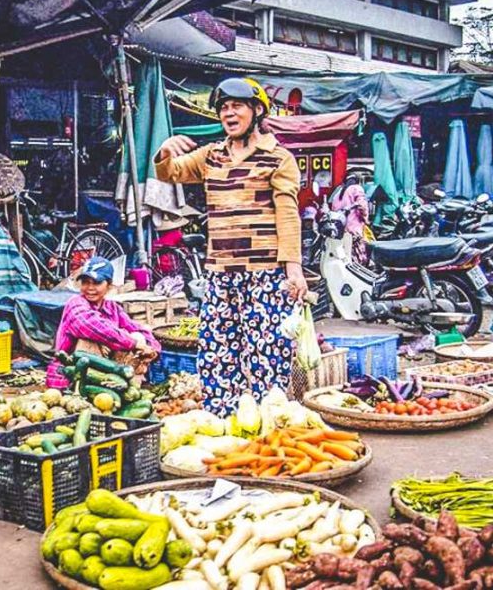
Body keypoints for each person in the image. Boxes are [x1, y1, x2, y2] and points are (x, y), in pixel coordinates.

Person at [154, 78, 308, 416]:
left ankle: (268, 421)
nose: (229, 113)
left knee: (265, 352)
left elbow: (287, 212)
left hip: (263, 275)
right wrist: (164, 151)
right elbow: (171, 173)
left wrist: (293, 269)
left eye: (237, 106)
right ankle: (223, 422)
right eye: (223, 108)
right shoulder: (211, 155)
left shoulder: (277, 158)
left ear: (256, 110)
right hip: (220, 274)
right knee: (217, 351)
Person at [46, 257, 161, 389]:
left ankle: (125, 389)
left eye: (96, 283)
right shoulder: (76, 303)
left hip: (103, 375)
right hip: (68, 377)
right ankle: (85, 391)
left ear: (109, 285)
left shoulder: (112, 308)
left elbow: (137, 328)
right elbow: (91, 326)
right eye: (85, 282)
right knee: (92, 340)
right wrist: (134, 343)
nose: (90, 288)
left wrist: (152, 349)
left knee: (138, 336)